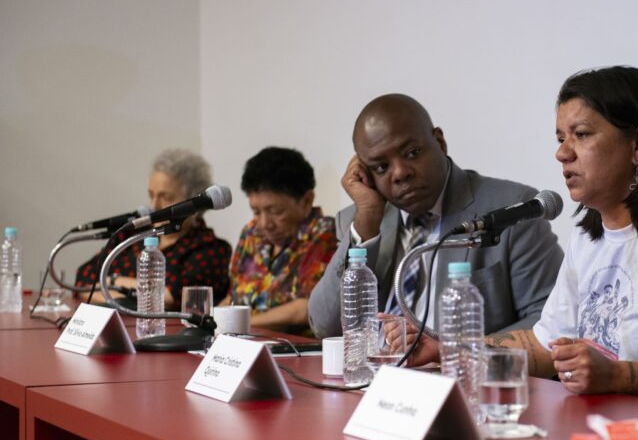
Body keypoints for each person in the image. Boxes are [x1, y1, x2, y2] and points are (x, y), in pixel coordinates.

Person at [476, 66, 638, 401]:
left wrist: (617, 376)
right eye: (560, 139)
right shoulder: (588, 237)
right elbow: (546, 346)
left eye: (581, 134)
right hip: (601, 424)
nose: (562, 153)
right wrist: (451, 350)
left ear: (637, 144)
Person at [308, 93, 564, 338]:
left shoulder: (513, 209)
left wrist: (454, 349)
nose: (400, 173)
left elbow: (549, 322)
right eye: (381, 167)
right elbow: (325, 327)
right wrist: (368, 219)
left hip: (461, 367)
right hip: (377, 367)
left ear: (440, 143)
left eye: (412, 153)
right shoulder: (362, 220)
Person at [75, 148, 232, 308]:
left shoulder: (211, 248)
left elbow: (171, 297)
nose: (154, 205)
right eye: (151, 195)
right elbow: (83, 279)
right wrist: (123, 298)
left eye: (166, 197)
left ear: (193, 202)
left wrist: (110, 282)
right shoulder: (132, 235)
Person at [226, 147, 337, 332]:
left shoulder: (325, 235)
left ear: (306, 201)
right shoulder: (251, 233)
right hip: (241, 339)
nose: (264, 224)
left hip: (291, 345)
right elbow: (233, 297)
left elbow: (305, 309)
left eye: (276, 212)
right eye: (256, 211)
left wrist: (240, 325)